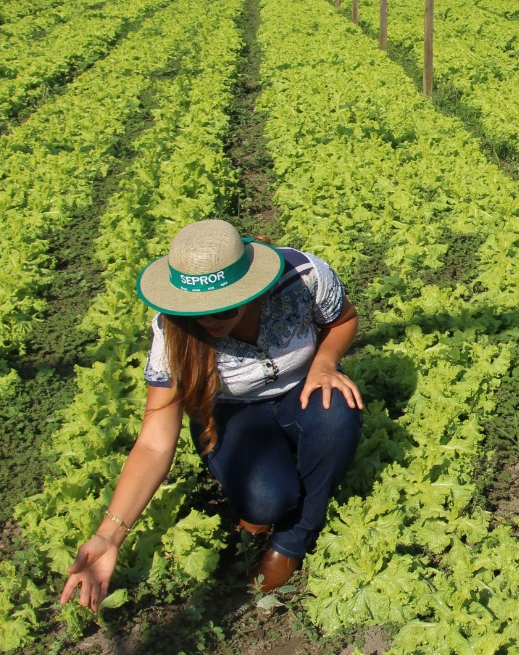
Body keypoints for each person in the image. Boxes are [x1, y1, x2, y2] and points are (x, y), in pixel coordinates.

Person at [59, 219, 363, 610]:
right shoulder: (172, 332)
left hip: (300, 388)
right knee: (268, 501)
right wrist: (109, 534)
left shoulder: (301, 278)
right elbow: (153, 443)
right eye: (199, 308)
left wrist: (324, 362)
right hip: (234, 412)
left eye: (225, 305)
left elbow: (343, 319)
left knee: (336, 411)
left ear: (251, 286)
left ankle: (295, 537)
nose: (211, 317)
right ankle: (264, 500)